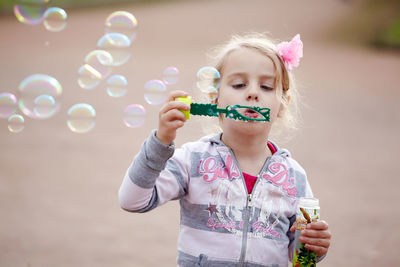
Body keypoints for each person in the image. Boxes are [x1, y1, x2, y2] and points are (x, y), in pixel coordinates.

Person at [119, 32, 331, 266]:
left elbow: (300, 255)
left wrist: (314, 246)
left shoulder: (294, 177)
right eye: (239, 84)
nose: (253, 93)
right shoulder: (194, 161)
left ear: (282, 105)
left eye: (267, 86)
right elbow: (132, 200)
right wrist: (161, 142)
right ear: (214, 100)